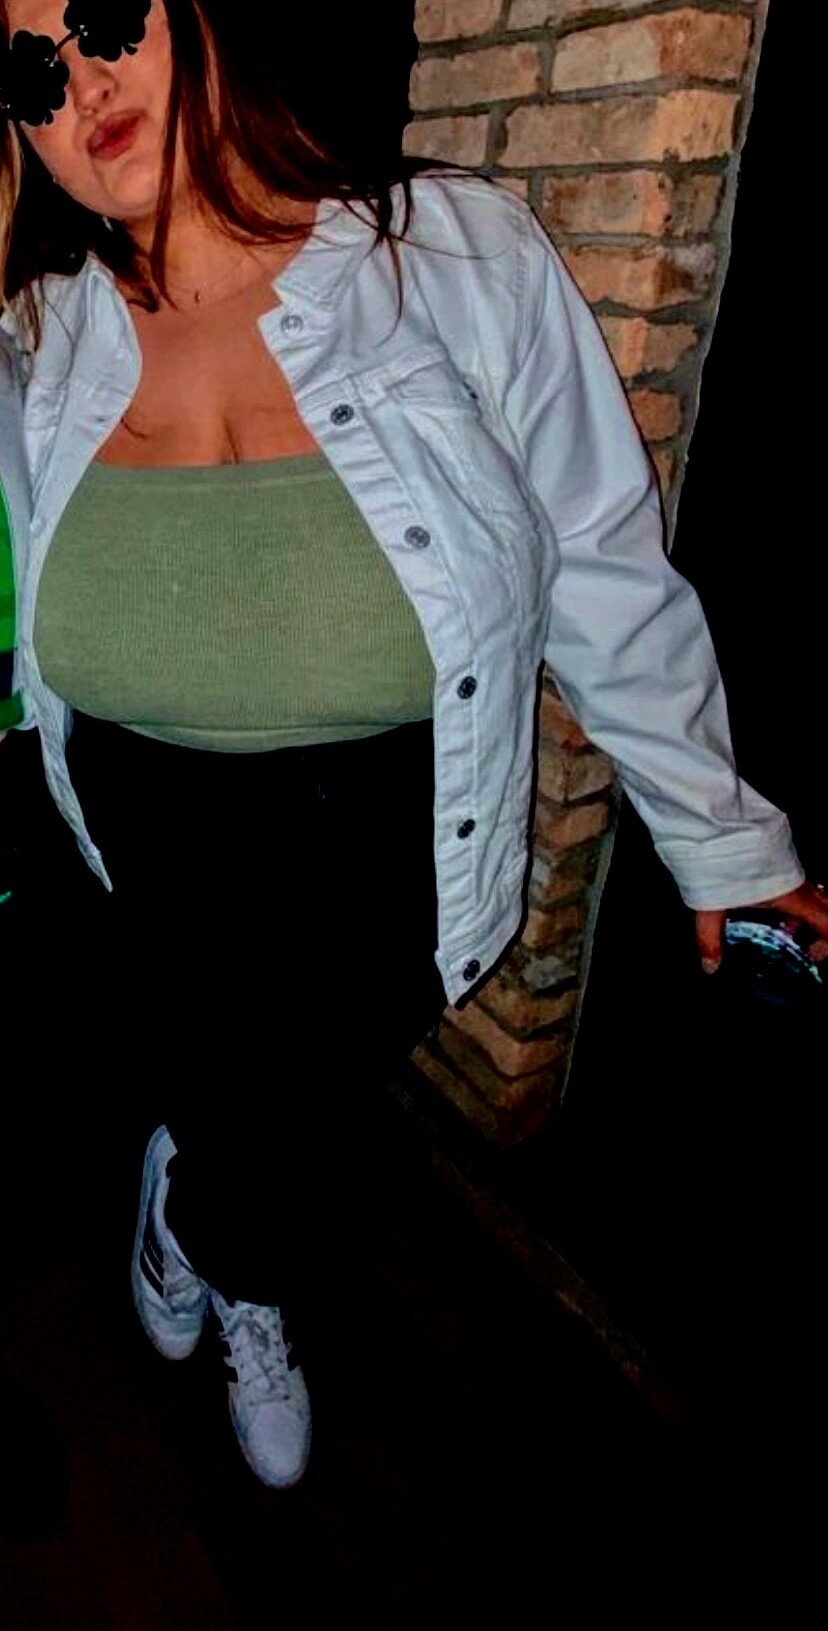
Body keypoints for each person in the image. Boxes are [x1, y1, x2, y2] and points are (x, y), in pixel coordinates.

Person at [1, 0, 825, 1491]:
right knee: (240, 1097)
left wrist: (723, 840)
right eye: (28, 71)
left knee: (294, 1107)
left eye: (108, 16)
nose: (85, 80)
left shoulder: (443, 253)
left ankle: (196, 1217)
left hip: (390, 829)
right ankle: (234, 1252)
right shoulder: (38, 339)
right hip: (142, 822)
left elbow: (598, 556)